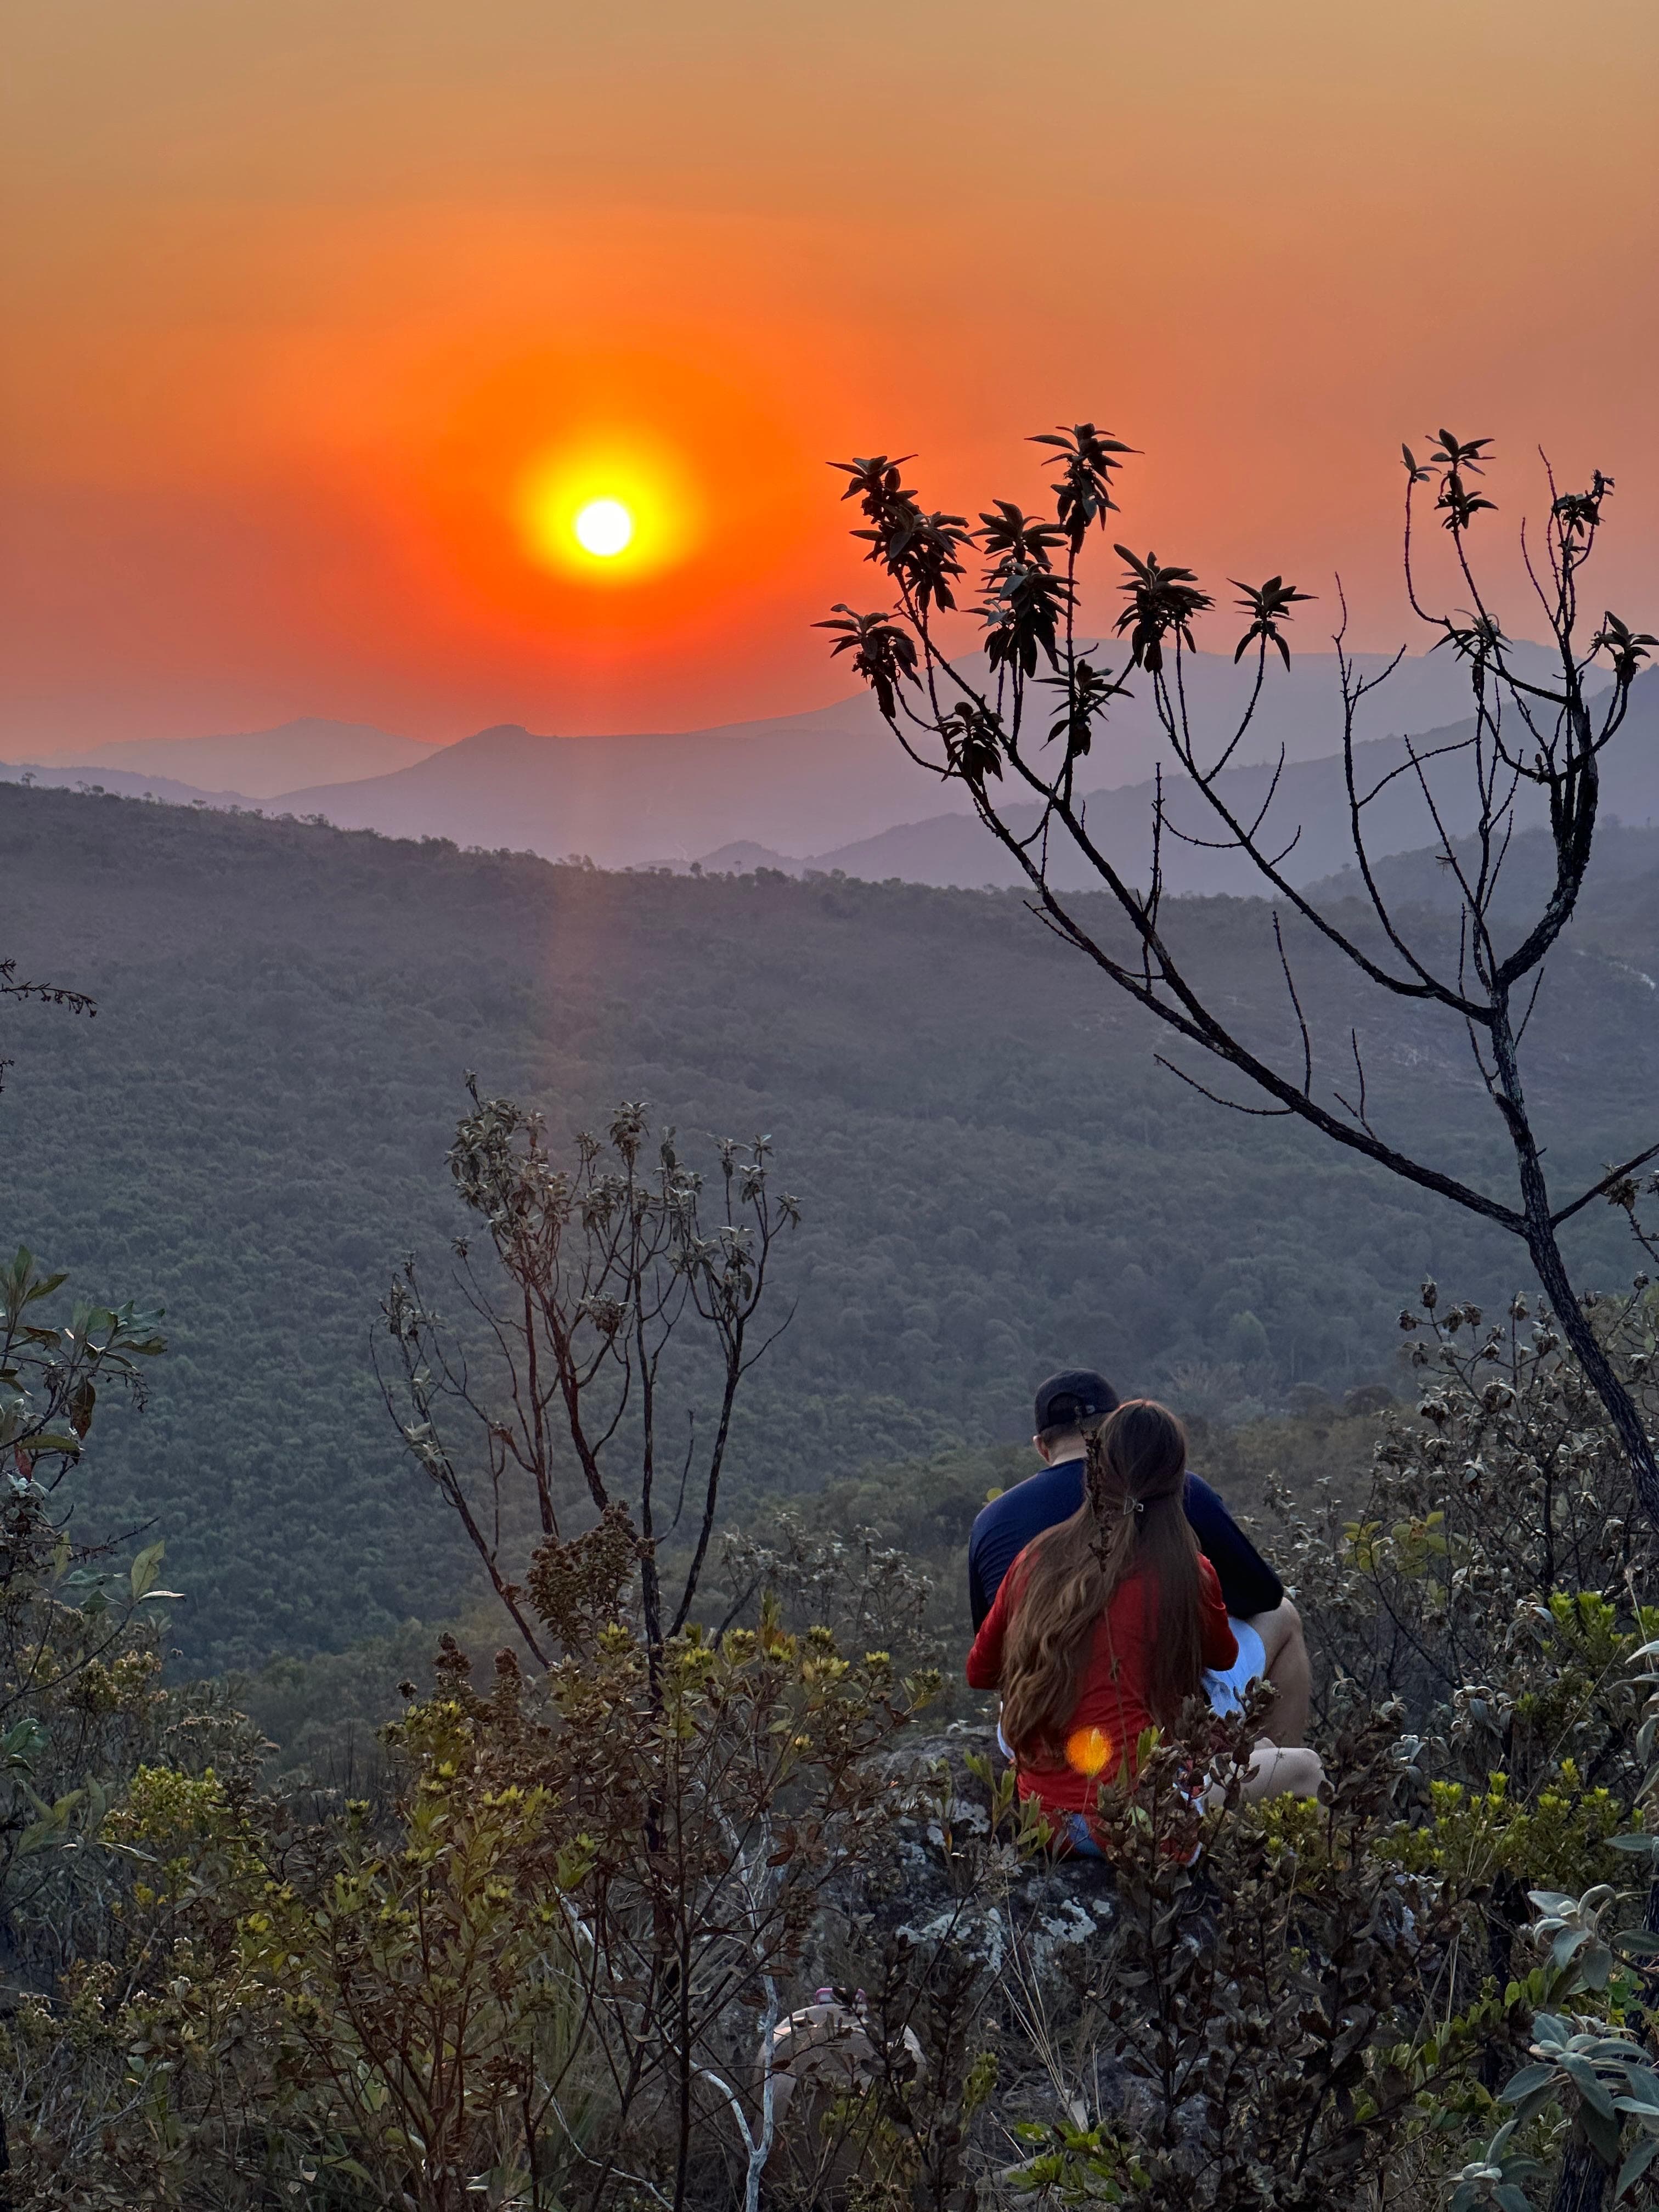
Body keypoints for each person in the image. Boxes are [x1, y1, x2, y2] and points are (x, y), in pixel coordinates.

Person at [965, 1399, 1322, 1854]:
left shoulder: (1034, 1558)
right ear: (1176, 1482)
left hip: (1047, 1821)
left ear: (1095, 1472)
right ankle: (1303, 1883)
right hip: (1139, 1822)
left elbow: (980, 1672)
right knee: (1306, 1769)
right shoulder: (1186, 1570)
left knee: (1264, 1750)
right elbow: (1224, 1656)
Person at [968, 1368, 1311, 1743]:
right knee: (1283, 1616)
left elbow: (992, 1661)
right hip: (1145, 1722)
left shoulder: (992, 1523)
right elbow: (1262, 1596)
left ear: (1041, 1446)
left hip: (1030, 1727)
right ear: (1120, 1430)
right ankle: (1271, 1770)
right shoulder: (1171, 1491)